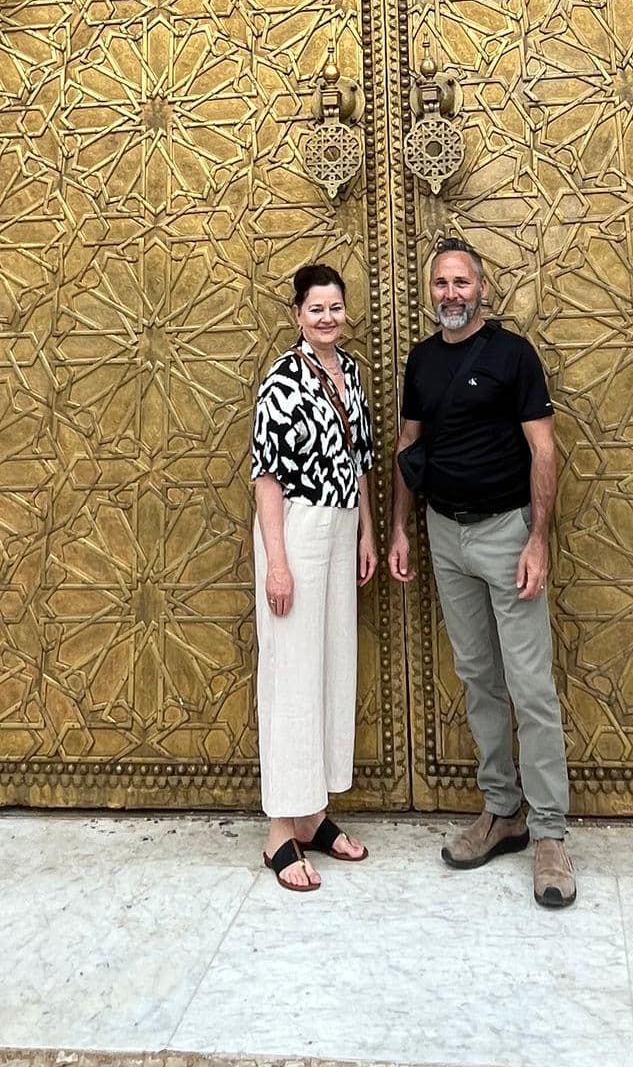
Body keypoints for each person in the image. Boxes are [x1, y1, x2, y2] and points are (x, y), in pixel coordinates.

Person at [388, 240, 576, 908]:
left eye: (460, 281)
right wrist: (402, 529)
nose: (450, 292)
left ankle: (550, 834)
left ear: (483, 287)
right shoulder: (421, 360)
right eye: (440, 282)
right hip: (446, 534)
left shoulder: (512, 356)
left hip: (506, 533)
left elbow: (543, 450)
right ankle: (503, 811)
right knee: (477, 677)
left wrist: (537, 540)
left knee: (530, 685)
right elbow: (410, 444)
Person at [251, 261, 377, 890]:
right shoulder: (283, 377)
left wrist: (367, 532)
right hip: (296, 531)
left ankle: (314, 815)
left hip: (341, 524)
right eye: (315, 309)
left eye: (335, 308)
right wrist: (277, 561)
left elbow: (360, 462)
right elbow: (266, 476)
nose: (327, 318)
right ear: (298, 314)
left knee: (330, 668)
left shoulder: (349, 373)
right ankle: (280, 830)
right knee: (291, 673)